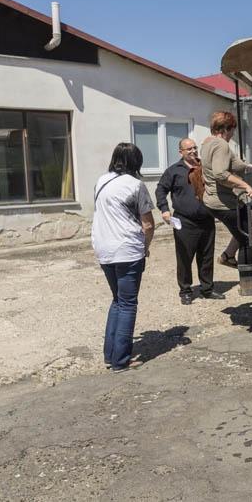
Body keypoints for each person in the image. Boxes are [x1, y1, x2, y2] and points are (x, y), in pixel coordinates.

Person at [91, 142, 155, 372]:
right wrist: (145, 247)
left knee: (117, 301)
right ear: (137, 162)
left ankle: (110, 356)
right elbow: (148, 224)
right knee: (128, 304)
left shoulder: (101, 181)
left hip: (103, 248)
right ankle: (121, 361)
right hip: (127, 249)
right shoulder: (136, 185)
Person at [156, 137, 224, 305]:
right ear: (181, 152)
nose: (193, 151)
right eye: (189, 149)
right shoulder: (174, 171)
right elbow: (161, 190)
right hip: (185, 222)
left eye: (194, 148)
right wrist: (164, 209)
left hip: (207, 219)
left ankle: (207, 289)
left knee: (206, 257)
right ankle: (186, 291)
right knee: (184, 258)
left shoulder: (206, 167)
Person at [200, 111, 252, 267]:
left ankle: (228, 256)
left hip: (211, 200)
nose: (233, 134)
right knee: (248, 236)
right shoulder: (221, 145)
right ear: (226, 129)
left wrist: (247, 166)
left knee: (242, 228)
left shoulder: (207, 143)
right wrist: (246, 186)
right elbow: (220, 173)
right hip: (222, 202)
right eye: (232, 130)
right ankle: (249, 275)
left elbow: (232, 162)